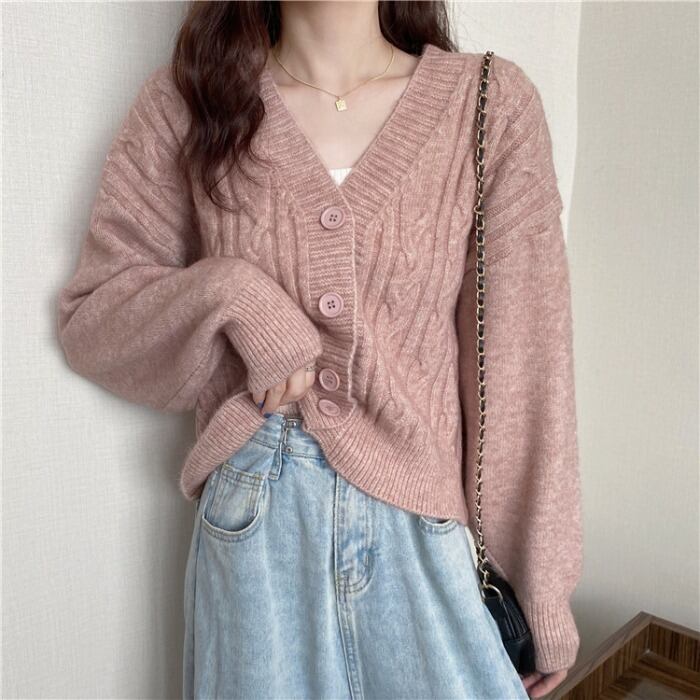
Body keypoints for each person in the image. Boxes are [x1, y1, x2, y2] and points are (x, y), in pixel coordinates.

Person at [56, 1, 584, 698]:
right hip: (256, 531)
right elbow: (96, 317)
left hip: (421, 528)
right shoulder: (188, 102)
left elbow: (526, 366)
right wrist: (233, 296)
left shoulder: (488, 106)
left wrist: (540, 585)